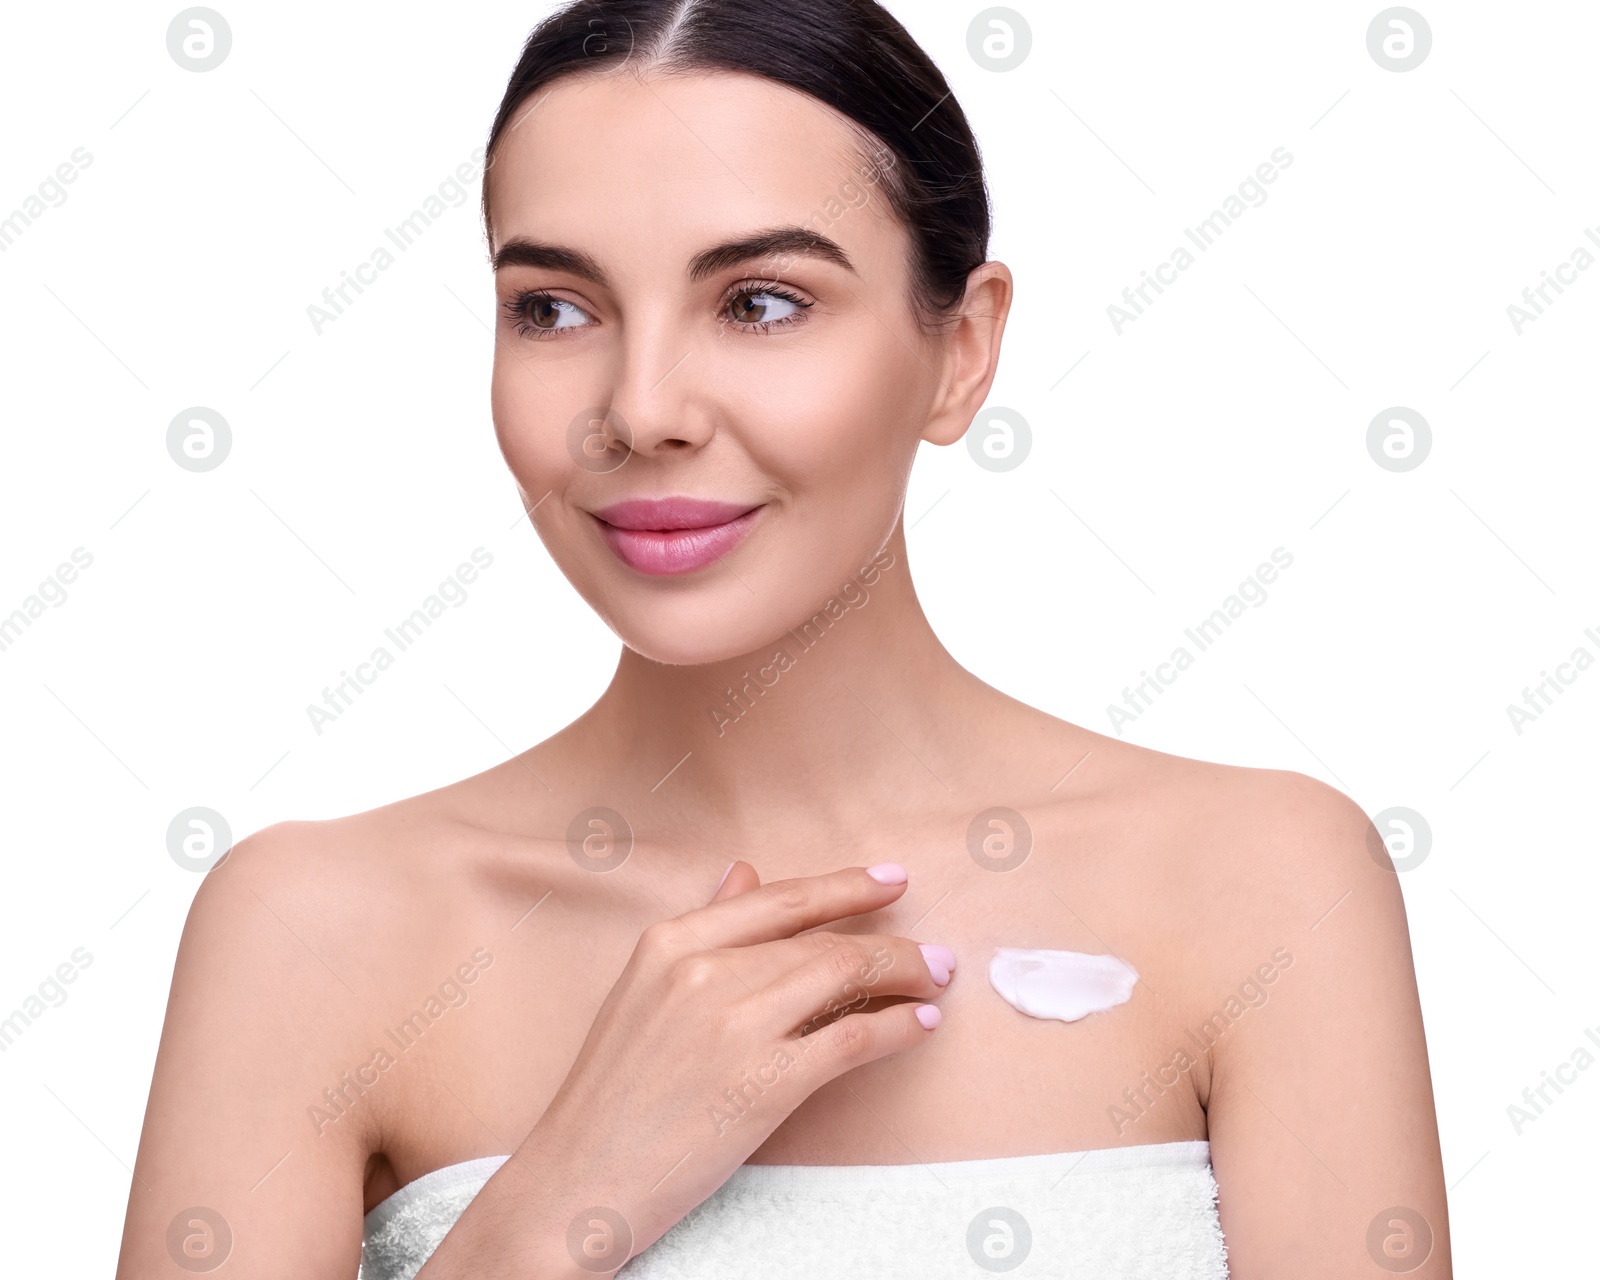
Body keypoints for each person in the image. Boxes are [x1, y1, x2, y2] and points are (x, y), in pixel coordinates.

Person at [116, 1, 1450, 1276]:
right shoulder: (312, 933)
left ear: (962, 351)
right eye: (556, 308)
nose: (640, 410)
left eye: (759, 302)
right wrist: (563, 1203)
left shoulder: (1262, 886)